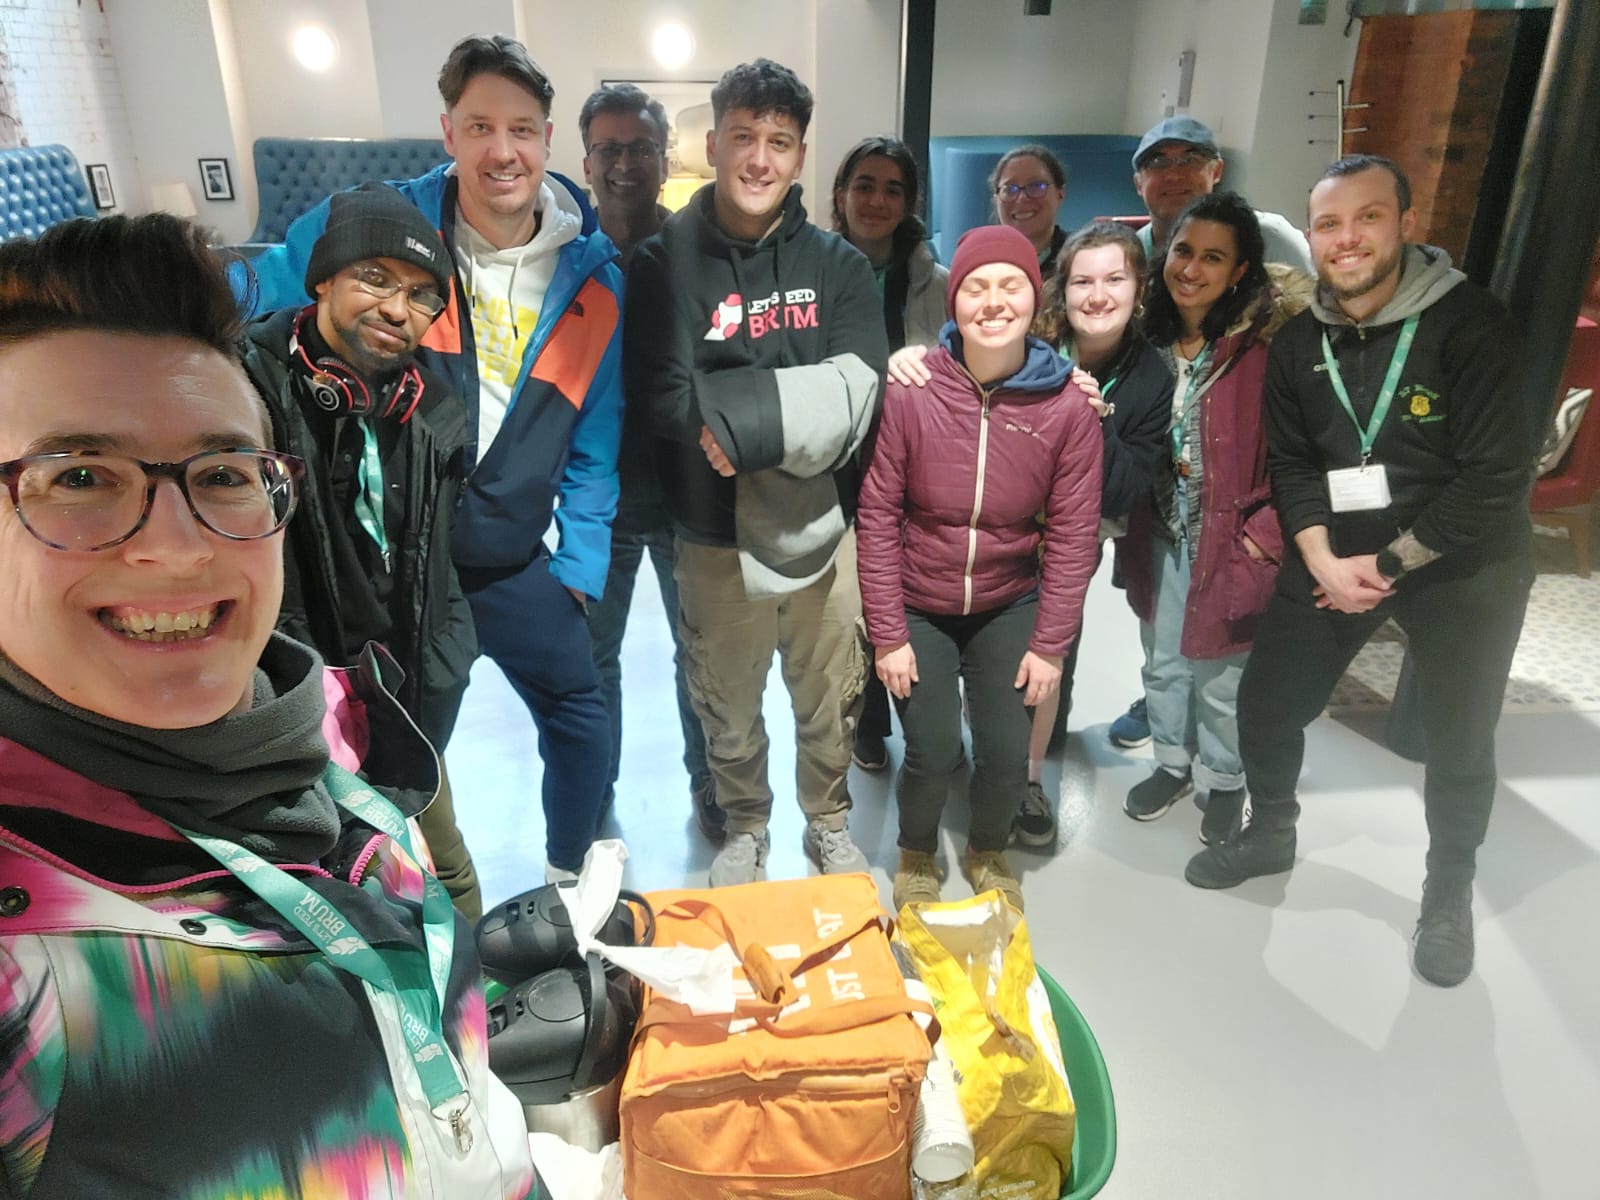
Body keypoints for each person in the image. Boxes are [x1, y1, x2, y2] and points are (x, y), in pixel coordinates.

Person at [0, 214, 537, 1196]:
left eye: (220, 474)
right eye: (78, 477)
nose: (177, 546)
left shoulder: (340, 746)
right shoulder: (21, 973)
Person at [245, 35, 625, 884]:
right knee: (407, 744)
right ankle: (397, 887)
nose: (503, 150)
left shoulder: (595, 277)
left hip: (516, 559)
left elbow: (597, 444)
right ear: (448, 131)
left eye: (521, 129)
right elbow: (262, 293)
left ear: (548, 140)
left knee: (582, 712)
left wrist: (581, 565)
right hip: (406, 567)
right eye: (481, 125)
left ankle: (569, 876)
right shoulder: (387, 228)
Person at [1185, 156, 1536, 989]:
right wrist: (1320, 558)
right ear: (1312, 237)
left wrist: (1385, 564)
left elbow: (1495, 479)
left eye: (1368, 218)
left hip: (1467, 561)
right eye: (1331, 224)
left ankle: (1447, 890)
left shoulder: (1473, 325)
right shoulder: (1303, 338)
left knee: (1459, 739)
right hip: (1337, 552)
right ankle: (1272, 831)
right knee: (1269, 703)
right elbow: (1296, 463)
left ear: (1405, 224)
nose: (1348, 240)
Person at [624, 58, 888, 886]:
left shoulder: (840, 266)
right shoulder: (663, 263)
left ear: (801, 154)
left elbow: (861, 395)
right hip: (710, 533)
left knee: (828, 701)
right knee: (726, 707)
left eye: (780, 142)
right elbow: (664, 399)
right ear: (714, 142)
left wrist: (738, 419)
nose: (761, 159)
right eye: (744, 137)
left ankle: (829, 821)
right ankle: (746, 824)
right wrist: (793, 412)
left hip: (822, 533)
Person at [239, 184, 485, 920]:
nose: (395, 309)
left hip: (399, 697)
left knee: (454, 878)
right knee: (331, 894)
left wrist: (443, 665)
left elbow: (434, 567)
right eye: (373, 279)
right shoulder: (243, 389)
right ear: (323, 281)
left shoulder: (433, 408)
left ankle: (485, 1011)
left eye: (419, 295)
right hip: (292, 705)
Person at [858, 224, 1102, 910]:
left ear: (1035, 297)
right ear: (952, 299)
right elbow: (877, 515)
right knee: (932, 748)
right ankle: (914, 852)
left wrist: (1051, 644)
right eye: (975, 287)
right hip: (917, 601)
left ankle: (988, 849)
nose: (993, 302)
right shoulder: (911, 391)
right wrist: (888, 632)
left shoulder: (1068, 407)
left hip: (1008, 599)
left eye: (1011, 285)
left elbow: (1076, 536)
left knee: (1004, 749)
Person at [1108, 116, 1316, 751]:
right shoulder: (1147, 321)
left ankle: (1222, 777)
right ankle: (1171, 761)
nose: (1193, 267)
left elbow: (1294, 444)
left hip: (1235, 523)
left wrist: (1265, 535)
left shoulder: (1267, 335)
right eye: (1157, 162)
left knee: (1223, 674)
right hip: (1164, 521)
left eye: (1188, 158)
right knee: (1162, 652)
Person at [577, 82, 717, 840]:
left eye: (640, 148)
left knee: (700, 658)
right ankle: (596, 791)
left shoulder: (698, 253)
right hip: (597, 502)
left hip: (689, 499)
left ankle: (710, 781)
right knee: (594, 665)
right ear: (587, 159)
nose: (625, 163)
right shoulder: (565, 258)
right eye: (611, 148)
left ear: (665, 161)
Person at [1016, 221, 1174, 843]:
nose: (1098, 294)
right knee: (990, 641)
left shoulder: (1148, 378)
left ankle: (1034, 764)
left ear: (1138, 287)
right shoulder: (1030, 345)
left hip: (1075, 540)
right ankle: (986, 748)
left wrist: (1096, 417)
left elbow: (1125, 489)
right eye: (1083, 280)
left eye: (1115, 279)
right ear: (1062, 288)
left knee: (1053, 644)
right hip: (1002, 533)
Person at [831, 134, 949, 772]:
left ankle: (925, 724)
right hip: (836, 467)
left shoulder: (941, 284)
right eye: (864, 185)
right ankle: (867, 720)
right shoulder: (811, 271)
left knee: (915, 596)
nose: (877, 200)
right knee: (857, 601)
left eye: (893, 189)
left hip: (916, 467)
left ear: (911, 202)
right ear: (841, 195)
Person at [992, 144, 1069, 273]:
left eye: (1035, 186)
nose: (1021, 198)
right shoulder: (981, 264)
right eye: (1010, 189)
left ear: (1060, 193)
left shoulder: (1080, 259)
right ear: (996, 198)